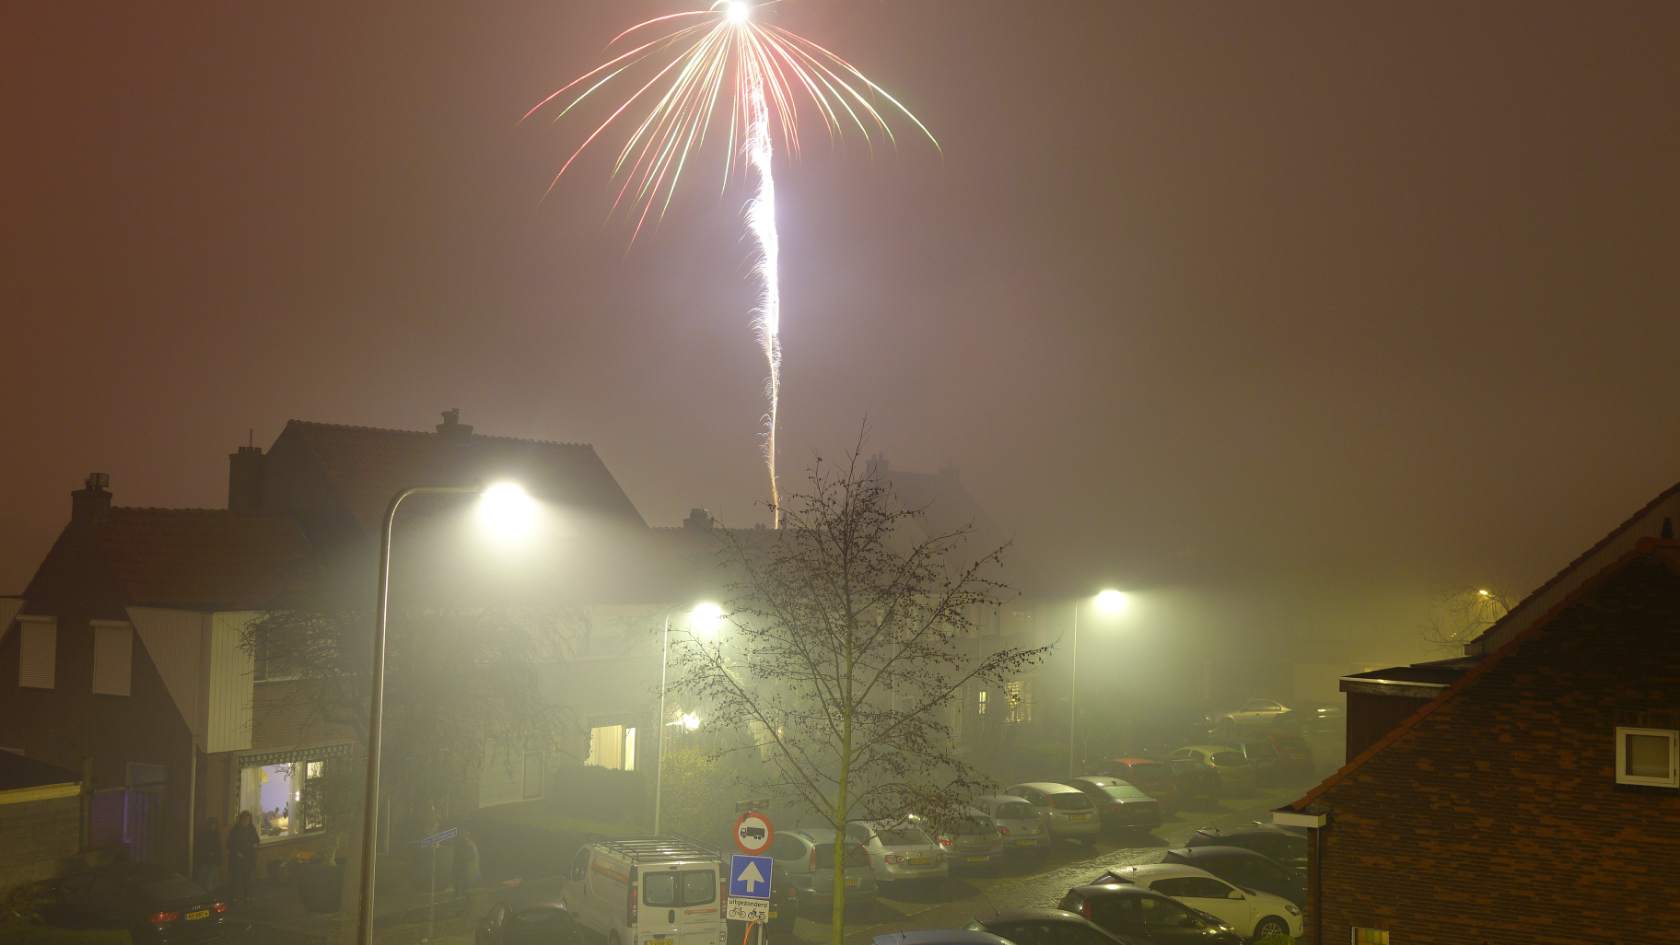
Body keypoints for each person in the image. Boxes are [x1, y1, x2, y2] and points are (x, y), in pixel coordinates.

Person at [227, 810, 259, 902]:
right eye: (244, 820)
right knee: (237, 879)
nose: (246, 822)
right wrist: (237, 852)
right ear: (240, 820)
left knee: (248, 878)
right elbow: (230, 844)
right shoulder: (235, 830)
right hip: (238, 860)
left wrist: (255, 844)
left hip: (249, 859)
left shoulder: (252, 829)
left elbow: (257, 840)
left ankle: (247, 896)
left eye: (248, 820)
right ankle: (236, 896)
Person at [193, 816, 223, 892]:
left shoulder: (216, 836)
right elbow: (200, 847)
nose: (212, 826)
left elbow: (218, 849)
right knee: (202, 880)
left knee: (210, 881)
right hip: (204, 860)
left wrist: (219, 861)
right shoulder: (203, 835)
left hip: (213, 861)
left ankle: (208, 897)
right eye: (211, 825)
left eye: (214, 825)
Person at [451, 830, 480, 901]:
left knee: (467, 887)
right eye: (464, 835)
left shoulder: (470, 844)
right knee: (461, 885)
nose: (465, 837)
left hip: (468, 870)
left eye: (466, 835)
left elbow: (472, 857)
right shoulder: (464, 844)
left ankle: (467, 899)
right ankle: (460, 899)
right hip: (464, 870)